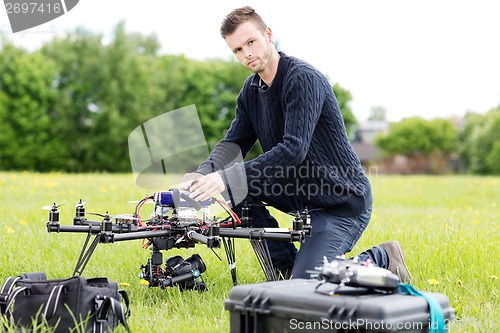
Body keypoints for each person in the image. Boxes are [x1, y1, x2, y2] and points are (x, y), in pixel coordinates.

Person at [180, 6, 411, 282]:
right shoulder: (251, 91)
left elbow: (293, 151)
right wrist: (203, 173)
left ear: (268, 35)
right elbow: (233, 144)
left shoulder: (302, 79)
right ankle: (284, 268)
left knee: (308, 284)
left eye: (251, 42)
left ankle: (383, 257)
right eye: (238, 50)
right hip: (301, 195)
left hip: (340, 200)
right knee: (236, 189)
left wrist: (226, 178)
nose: (247, 54)